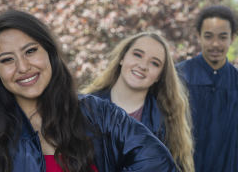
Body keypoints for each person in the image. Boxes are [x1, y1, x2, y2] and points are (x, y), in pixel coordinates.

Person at [0, 10, 178, 172]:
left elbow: (158, 163)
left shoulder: (100, 115)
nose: (23, 67)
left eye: (31, 51)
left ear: (50, 54)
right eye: (7, 60)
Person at [175, 5, 238, 172]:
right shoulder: (178, 77)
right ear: (199, 37)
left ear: (232, 39)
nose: (216, 44)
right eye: (208, 36)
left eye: (223, 37)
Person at [82, 32, 194, 172]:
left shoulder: (166, 122)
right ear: (122, 58)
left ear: (159, 76)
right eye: (138, 54)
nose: (143, 65)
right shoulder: (84, 107)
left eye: (154, 63)